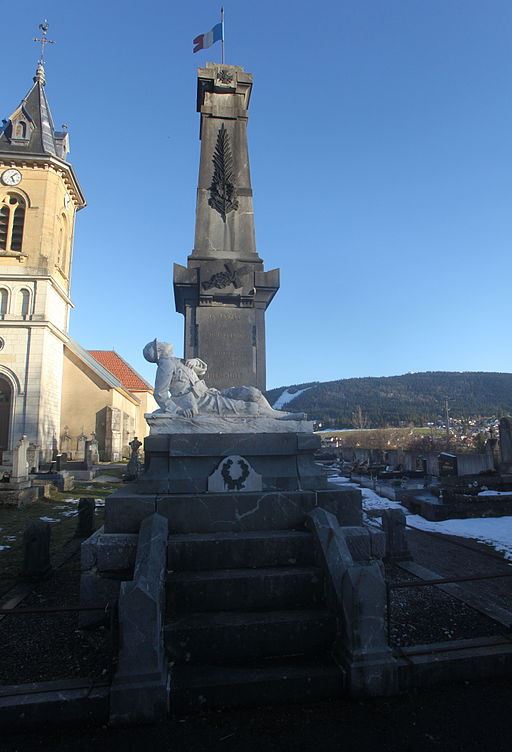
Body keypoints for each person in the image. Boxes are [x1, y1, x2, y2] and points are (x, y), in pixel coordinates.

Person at [142, 340, 305, 420]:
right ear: (158, 351)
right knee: (246, 407)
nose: (163, 343)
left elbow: (202, 370)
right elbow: (160, 394)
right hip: (199, 402)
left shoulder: (177, 360)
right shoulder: (165, 365)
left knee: (252, 392)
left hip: (210, 393)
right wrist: (177, 410)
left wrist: (195, 362)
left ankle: (275, 414)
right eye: (159, 344)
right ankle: (280, 418)